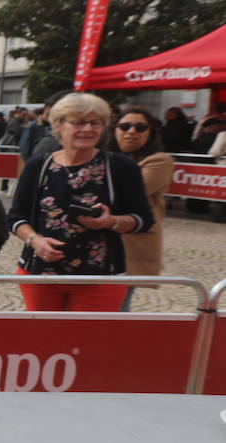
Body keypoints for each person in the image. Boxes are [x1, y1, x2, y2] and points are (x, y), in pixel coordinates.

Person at [8, 93, 154, 313]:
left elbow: (144, 220)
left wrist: (111, 221)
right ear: (59, 125)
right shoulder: (38, 165)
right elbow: (16, 217)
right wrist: (35, 240)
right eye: (78, 122)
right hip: (40, 273)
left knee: (90, 343)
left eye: (95, 123)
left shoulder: (120, 167)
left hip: (100, 278)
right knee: (45, 341)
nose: (88, 129)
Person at [112, 106, 174, 311]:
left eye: (140, 127)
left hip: (131, 242)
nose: (131, 131)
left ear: (150, 132)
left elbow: (131, 191)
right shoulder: (102, 156)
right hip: (97, 242)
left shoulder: (159, 160)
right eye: (125, 126)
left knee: (118, 305)